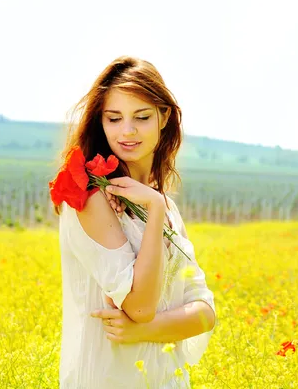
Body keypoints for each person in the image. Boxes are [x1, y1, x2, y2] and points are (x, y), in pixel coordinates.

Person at [52, 56, 216, 388]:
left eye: (141, 117)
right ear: (101, 122)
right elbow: (140, 306)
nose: (127, 131)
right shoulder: (92, 199)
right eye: (114, 118)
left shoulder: (165, 206)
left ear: (164, 116)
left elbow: (205, 312)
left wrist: (146, 331)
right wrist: (154, 211)